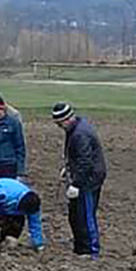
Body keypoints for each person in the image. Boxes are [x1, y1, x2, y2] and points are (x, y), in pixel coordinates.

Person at [52, 102, 107, 258]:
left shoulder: (80, 134)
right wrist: (69, 168)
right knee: (75, 215)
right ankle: (80, 248)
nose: (59, 127)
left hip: (88, 181)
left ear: (67, 119)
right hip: (83, 177)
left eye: (59, 123)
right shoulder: (74, 129)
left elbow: (85, 162)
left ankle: (91, 251)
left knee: (85, 215)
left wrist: (76, 184)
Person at [0, 178, 43, 250]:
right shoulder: (4, 194)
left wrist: (38, 243)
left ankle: (8, 241)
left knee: (16, 223)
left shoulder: (33, 205)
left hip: (13, 208)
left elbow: (35, 223)